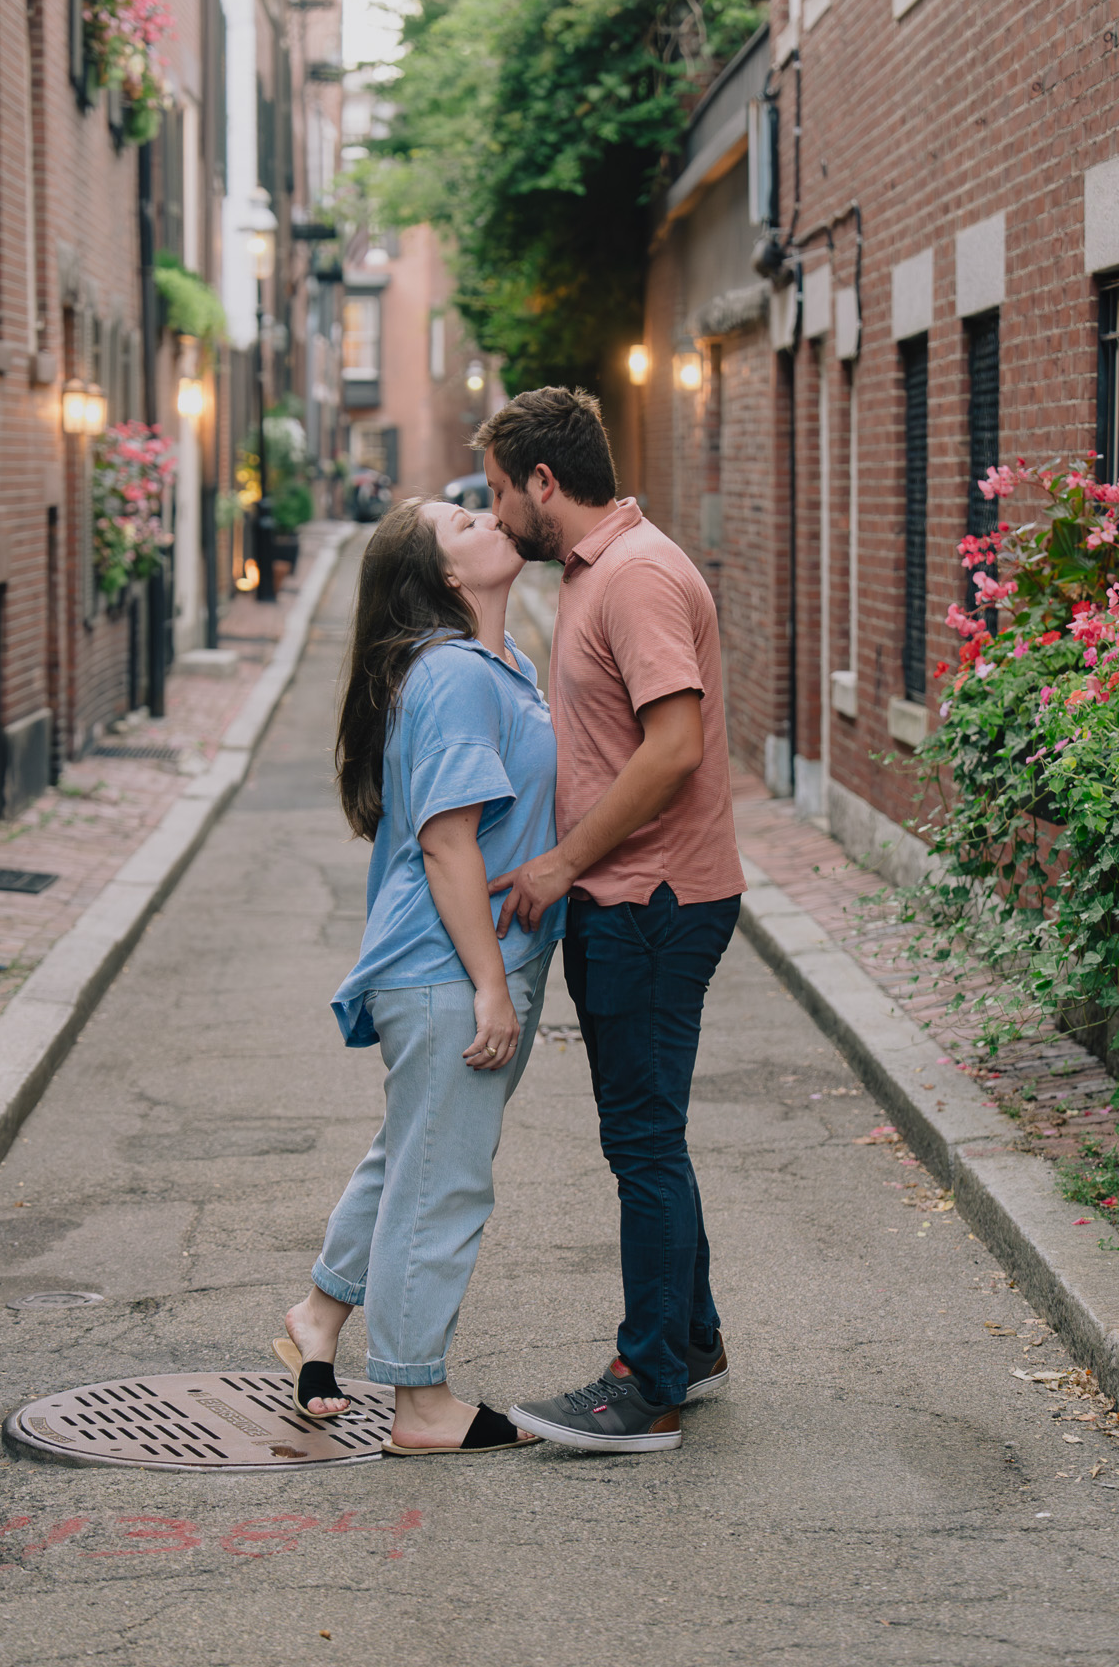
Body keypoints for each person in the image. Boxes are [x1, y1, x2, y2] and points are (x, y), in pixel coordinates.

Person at [475, 386, 744, 1454]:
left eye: (501, 491)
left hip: (650, 898)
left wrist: (563, 860)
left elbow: (673, 744)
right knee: (653, 1131)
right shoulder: (601, 571)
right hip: (636, 895)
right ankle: (695, 1336)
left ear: (546, 481)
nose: (496, 516)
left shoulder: (632, 578)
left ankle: (647, 1383)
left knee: (642, 1140)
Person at [276, 497, 563, 1455]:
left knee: (413, 1152)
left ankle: (319, 1316)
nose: (489, 516)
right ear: (444, 577)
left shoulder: (499, 664)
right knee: (443, 1182)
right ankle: (419, 1401)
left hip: (453, 963)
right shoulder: (450, 676)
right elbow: (447, 843)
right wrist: (490, 984)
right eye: (464, 522)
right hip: (450, 967)